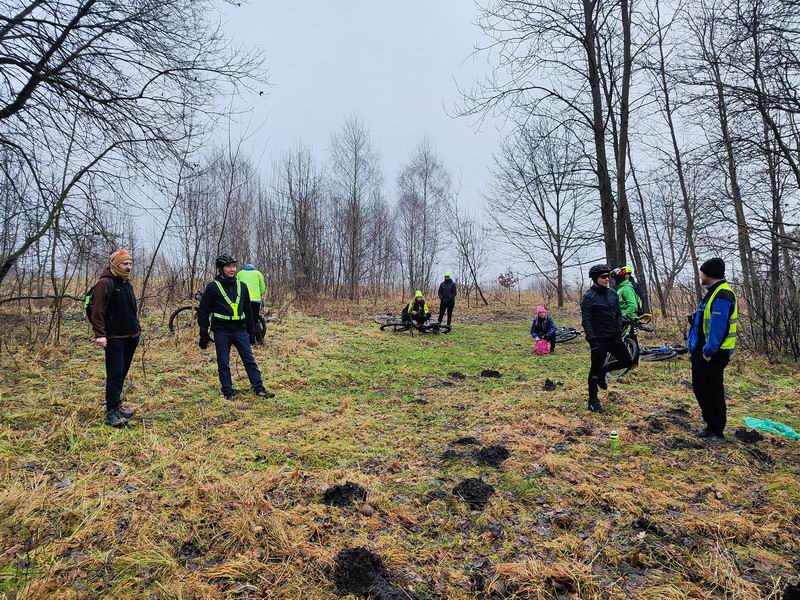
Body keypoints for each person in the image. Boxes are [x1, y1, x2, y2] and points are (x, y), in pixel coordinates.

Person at [198, 254, 274, 401]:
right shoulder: (213, 287)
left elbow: (248, 311)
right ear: (221, 269)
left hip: (240, 329)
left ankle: (259, 389)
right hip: (221, 330)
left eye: (233, 266)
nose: (232, 269)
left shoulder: (242, 286)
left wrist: (251, 331)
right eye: (228, 266)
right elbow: (203, 311)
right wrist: (203, 332)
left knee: (249, 360)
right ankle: (228, 392)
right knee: (223, 362)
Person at [687, 258, 737, 441]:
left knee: (712, 391)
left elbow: (719, 326)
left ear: (709, 274)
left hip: (713, 354)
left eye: (701, 272)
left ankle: (716, 431)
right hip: (703, 351)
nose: (700, 275)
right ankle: (710, 426)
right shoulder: (713, 292)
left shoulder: (722, 295)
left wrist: (709, 351)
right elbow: (708, 319)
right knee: (702, 389)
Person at [91, 249, 141, 427]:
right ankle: (111, 412)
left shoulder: (126, 283)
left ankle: (117, 405)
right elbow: (97, 311)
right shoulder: (105, 283)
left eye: (129, 263)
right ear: (115, 264)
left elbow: (131, 308)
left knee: (122, 373)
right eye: (124, 263)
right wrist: (100, 334)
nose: (128, 267)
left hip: (131, 336)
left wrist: (137, 329)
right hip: (114, 338)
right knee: (115, 374)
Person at [580, 264, 634, 413]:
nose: (606, 280)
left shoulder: (612, 293)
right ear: (595, 279)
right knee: (594, 371)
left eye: (607, 277)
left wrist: (618, 331)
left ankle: (605, 371)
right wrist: (592, 340)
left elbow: (617, 314)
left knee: (627, 361)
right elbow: (586, 321)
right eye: (603, 277)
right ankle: (593, 401)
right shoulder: (588, 298)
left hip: (613, 337)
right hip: (599, 339)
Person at [236, 263, 267, 344]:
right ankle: (259, 340)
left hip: (243, 299)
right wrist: (259, 293)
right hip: (255, 300)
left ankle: (249, 339)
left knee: (245, 318)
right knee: (255, 319)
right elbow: (263, 288)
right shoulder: (258, 273)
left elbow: (236, 285)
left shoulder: (240, 273)